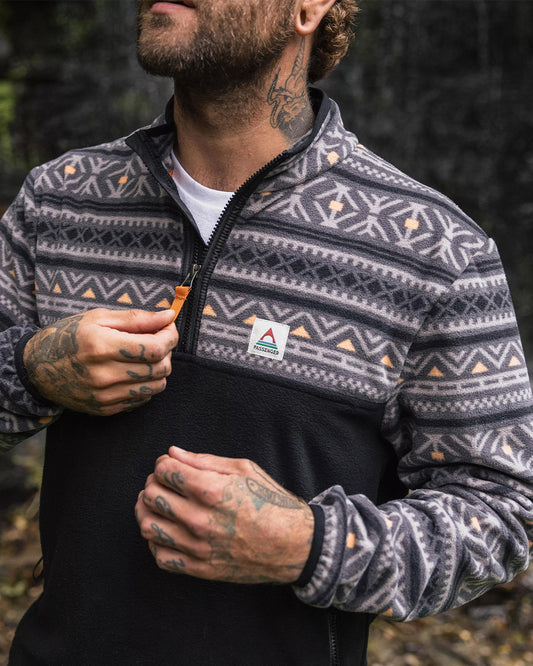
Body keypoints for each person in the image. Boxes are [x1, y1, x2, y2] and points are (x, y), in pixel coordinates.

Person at [2, 0, 533, 663]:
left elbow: (501, 517)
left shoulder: (434, 250)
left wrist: (307, 544)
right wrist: (31, 369)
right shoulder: (60, 200)